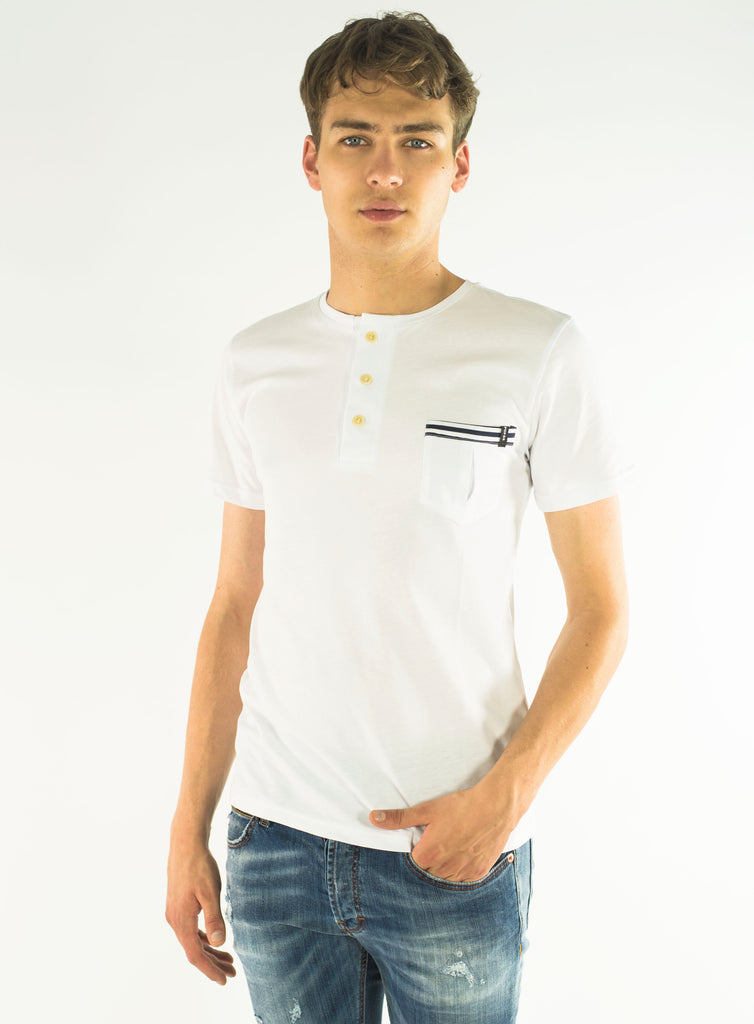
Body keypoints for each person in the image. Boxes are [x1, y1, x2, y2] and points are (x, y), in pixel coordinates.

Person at [166, 11, 631, 1023]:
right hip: (272, 844)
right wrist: (187, 828)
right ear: (312, 160)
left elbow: (601, 610)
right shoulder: (255, 361)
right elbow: (235, 603)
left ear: (458, 165)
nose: (385, 170)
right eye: (355, 138)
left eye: (417, 140)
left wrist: (504, 798)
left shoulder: (538, 349)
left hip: (452, 848)